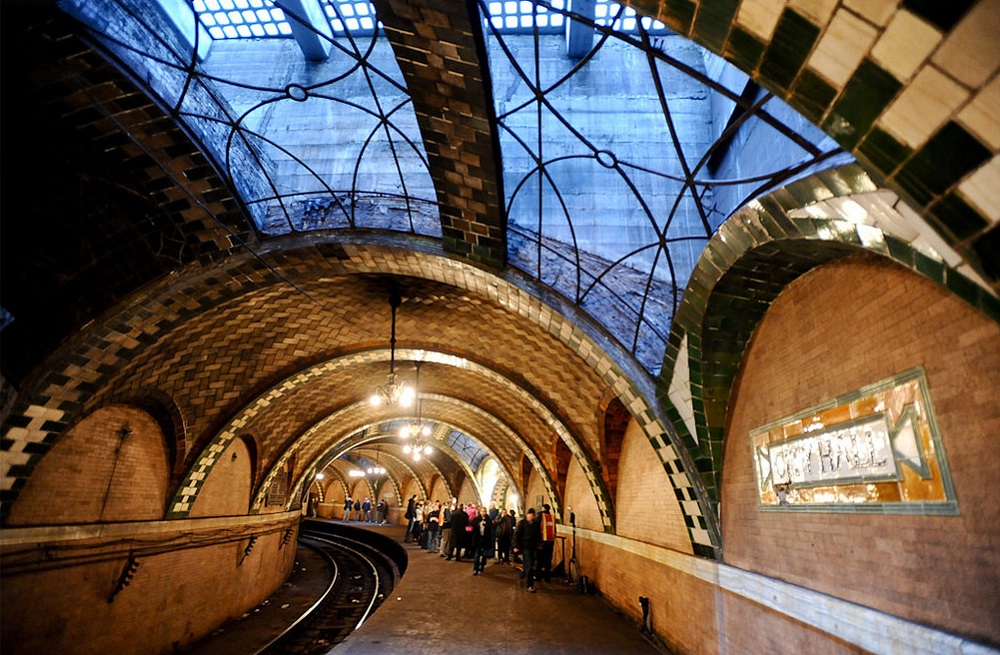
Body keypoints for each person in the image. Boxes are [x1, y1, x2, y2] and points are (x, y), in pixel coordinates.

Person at [513, 507, 541, 592]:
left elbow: (538, 535)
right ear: (527, 515)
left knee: (529, 564)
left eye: (533, 515)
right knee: (530, 566)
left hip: (533, 547)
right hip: (525, 547)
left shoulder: (536, 524)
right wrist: (516, 546)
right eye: (531, 515)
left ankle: (523, 575)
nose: (532, 516)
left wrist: (539, 544)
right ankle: (530, 585)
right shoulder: (522, 523)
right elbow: (517, 535)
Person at [470, 505, 494, 575]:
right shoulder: (476, 519)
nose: (483, 513)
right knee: (477, 555)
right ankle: (475, 569)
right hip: (478, 539)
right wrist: (478, 524)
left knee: (484, 555)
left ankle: (482, 566)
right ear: (480, 512)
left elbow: (491, 529)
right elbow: (472, 525)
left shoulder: (488, 520)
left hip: (485, 539)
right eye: (482, 511)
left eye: (484, 511)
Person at [537, 503, 556, 583]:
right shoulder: (552, 517)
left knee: (540, 560)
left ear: (543, 508)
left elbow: (537, 528)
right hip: (550, 542)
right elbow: (555, 530)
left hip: (542, 542)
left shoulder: (541, 516)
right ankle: (547, 577)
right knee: (548, 560)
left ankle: (538, 576)